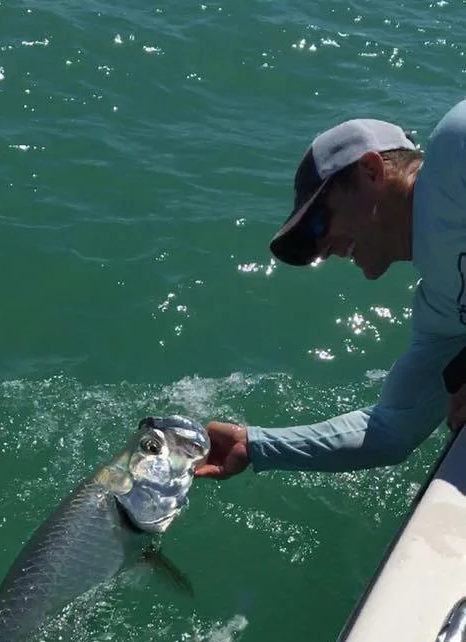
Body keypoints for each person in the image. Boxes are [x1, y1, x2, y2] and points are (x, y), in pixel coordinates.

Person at [195, 100, 466, 480]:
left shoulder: (455, 146)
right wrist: (255, 445)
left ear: (371, 172)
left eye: (319, 221)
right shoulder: (442, 308)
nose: (324, 249)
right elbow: (393, 431)